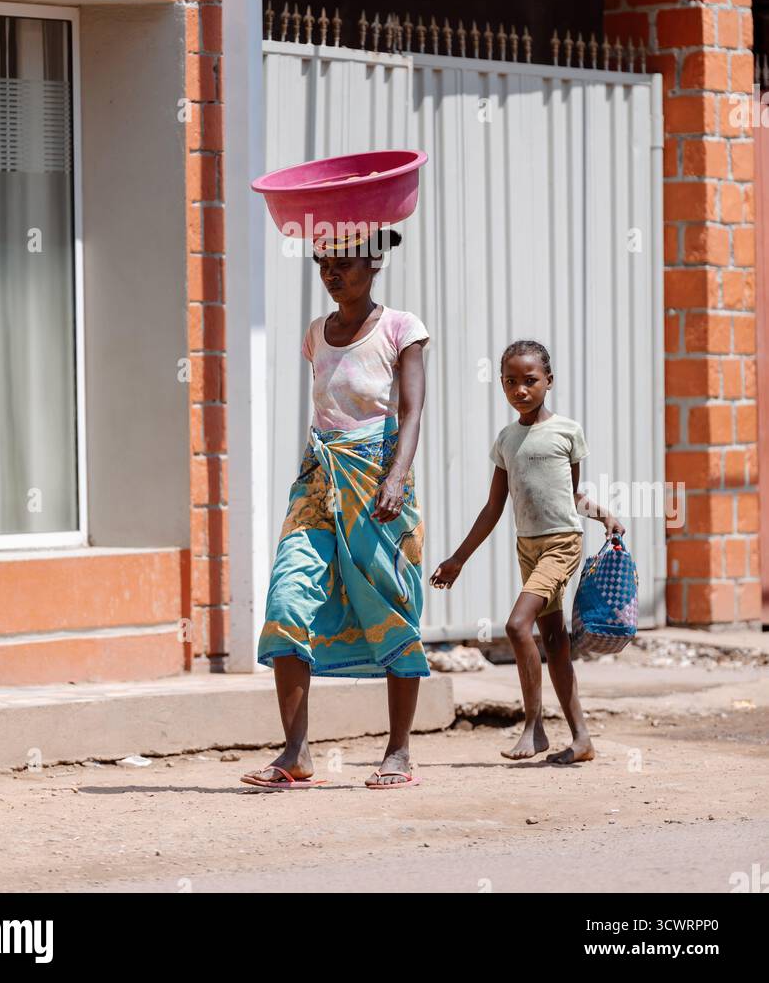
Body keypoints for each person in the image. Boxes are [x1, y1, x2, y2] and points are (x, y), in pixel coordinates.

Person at [243, 227, 430, 791]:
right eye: (323, 263)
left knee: (389, 599)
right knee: (287, 594)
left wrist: (396, 475)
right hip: (319, 478)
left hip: (378, 479)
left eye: (343, 263)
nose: (331, 273)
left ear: (373, 265)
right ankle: (295, 753)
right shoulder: (314, 334)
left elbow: (412, 409)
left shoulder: (403, 329)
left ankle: (398, 751)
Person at [431, 340, 623, 766]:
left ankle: (533, 725)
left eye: (530, 381)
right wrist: (458, 558)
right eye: (510, 381)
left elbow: (570, 495)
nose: (520, 389)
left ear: (548, 382)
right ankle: (581, 739)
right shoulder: (506, 440)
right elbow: (493, 507)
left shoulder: (566, 432)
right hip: (527, 547)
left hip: (561, 543)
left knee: (518, 625)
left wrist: (603, 514)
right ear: (501, 384)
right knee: (554, 641)